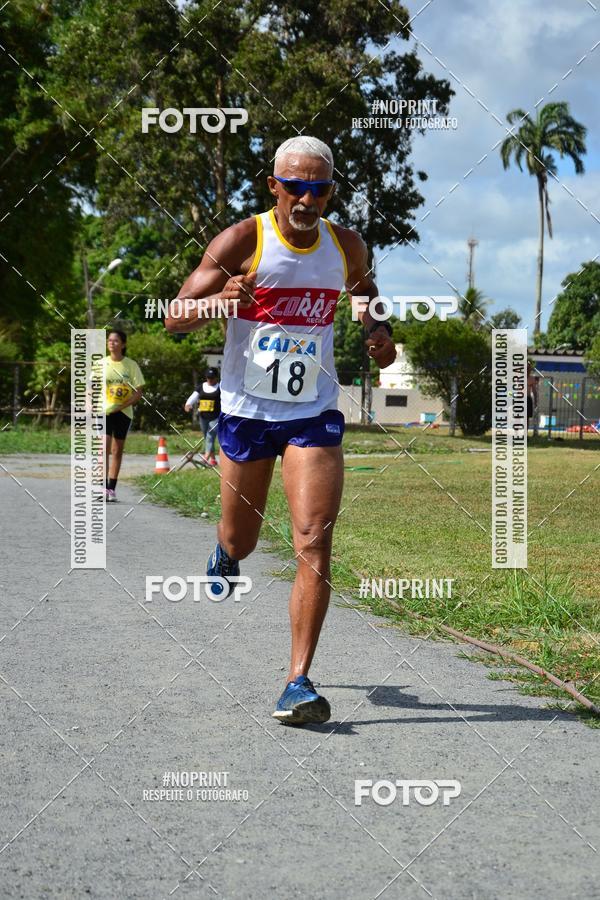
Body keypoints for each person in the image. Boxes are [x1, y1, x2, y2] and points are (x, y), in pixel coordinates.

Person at [165, 136, 396, 725]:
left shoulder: (345, 246)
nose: (305, 197)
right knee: (242, 539)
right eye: (294, 185)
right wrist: (220, 299)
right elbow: (174, 319)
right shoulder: (243, 240)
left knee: (314, 538)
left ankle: (297, 681)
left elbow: (366, 296)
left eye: (318, 188)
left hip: (312, 414)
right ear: (274, 186)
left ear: (330, 193)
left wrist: (376, 334)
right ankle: (226, 550)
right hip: (245, 414)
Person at [97, 330, 145, 501]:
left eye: (116, 341)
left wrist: (122, 406)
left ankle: (111, 489)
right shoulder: (101, 364)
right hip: (105, 411)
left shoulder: (131, 365)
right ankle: (102, 487)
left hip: (123, 412)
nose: (112, 343)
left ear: (123, 344)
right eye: (109, 340)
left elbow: (138, 392)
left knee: (117, 451)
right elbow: (90, 387)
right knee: (104, 448)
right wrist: (89, 404)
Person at [184, 367, 221, 466]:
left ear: (216, 378)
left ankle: (205, 458)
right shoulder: (201, 387)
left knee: (210, 436)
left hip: (215, 417)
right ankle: (213, 460)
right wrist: (188, 404)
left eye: (212, 378)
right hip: (203, 416)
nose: (210, 380)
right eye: (208, 377)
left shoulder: (220, 387)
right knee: (207, 437)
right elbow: (194, 396)